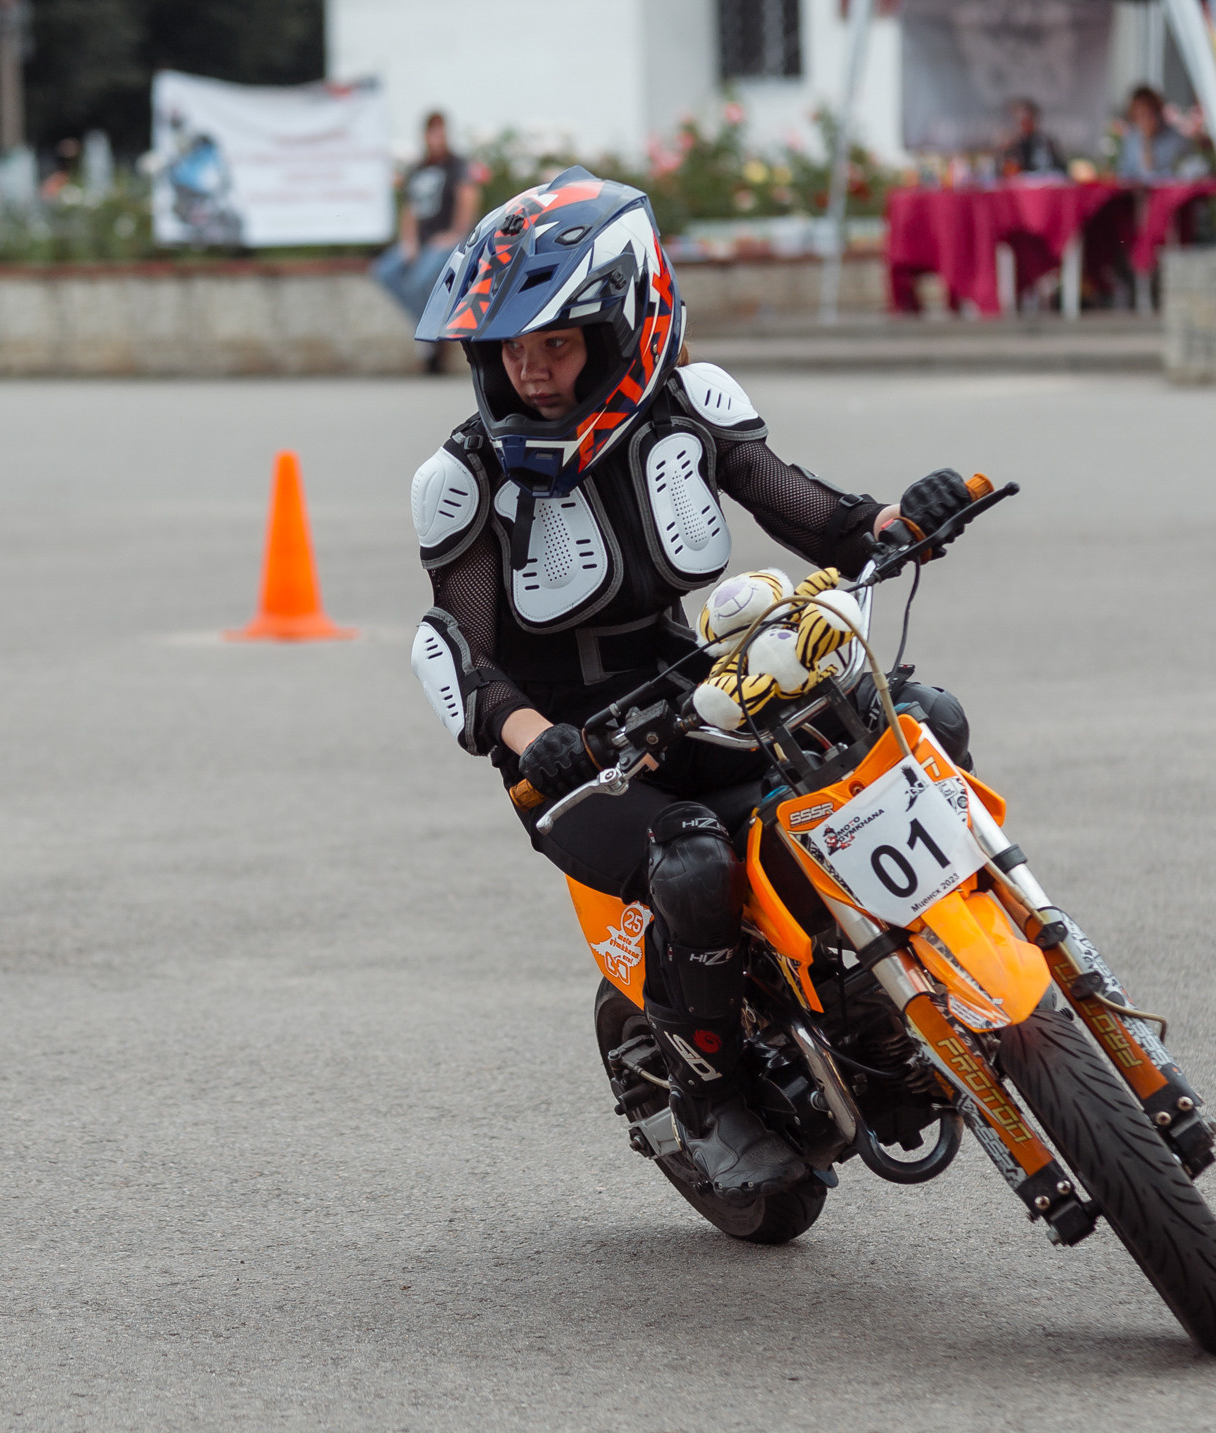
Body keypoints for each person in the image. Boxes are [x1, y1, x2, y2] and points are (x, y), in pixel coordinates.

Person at [403, 168, 977, 1201]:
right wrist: (535, 735)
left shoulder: (688, 410)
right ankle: (709, 1093)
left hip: (696, 694)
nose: (530, 373)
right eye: (510, 351)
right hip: (572, 754)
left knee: (913, 725)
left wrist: (899, 526)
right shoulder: (464, 479)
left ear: (625, 327)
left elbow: (813, 515)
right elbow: (460, 654)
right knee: (693, 862)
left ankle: (923, 976)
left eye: (557, 343)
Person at [374, 111, 481, 371]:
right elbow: (410, 209)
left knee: (419, 280)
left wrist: (456, 233)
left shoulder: (456, 165)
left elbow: (468, 198)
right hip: (420, 242)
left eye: (440, 132)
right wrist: (408, 242)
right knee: (384, 271)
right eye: (431, 132)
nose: (436, 138)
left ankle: (430, 336)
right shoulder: (418, 169)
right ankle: (431, 328)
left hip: (445, 241)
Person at [1115, 86, 1199, 184]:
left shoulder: (1175, 139)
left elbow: (1188, 171)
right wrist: (1146, 141)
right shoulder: (1131, 141)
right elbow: (1124, 175)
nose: (1146, 119)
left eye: (1149, 113)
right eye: (1141, 114)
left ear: (1157, 111)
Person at [1000, 99, 1067, 176]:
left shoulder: (1046, 142)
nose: (1025, 124)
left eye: (1028, 120)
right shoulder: (1013, 145)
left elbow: (1060, 168)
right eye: (1021, 120)